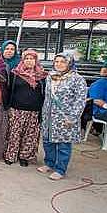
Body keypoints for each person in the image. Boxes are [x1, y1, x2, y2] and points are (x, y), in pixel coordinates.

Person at [38, 52, 87, 180]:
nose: (59, 64)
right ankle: (49, 163)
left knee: (63, 144)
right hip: (49, 115)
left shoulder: (77, 79)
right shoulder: (51, 76)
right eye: (57, 61)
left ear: (69, 63)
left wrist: (73, 118)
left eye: (63, 62)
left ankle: (60, 169)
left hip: (65, 117)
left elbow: (80, 101)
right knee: (48, 141)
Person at [4, 49, 47, 166]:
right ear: (23, 60)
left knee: (30, 135)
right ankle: (11, 155)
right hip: (17, 109)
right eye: (27, 58)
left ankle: (24, 157)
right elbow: (8, 90)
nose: (29, 61)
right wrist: (8, 107)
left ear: (36, 60)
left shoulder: (42, 76)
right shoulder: (15, 73)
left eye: (32, 58)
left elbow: (45, 94)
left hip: (34, 110)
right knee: (14, 133)